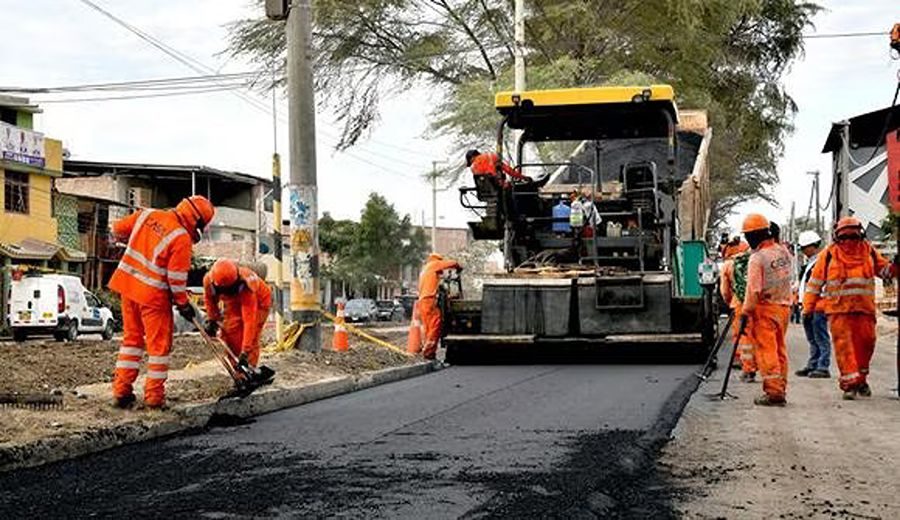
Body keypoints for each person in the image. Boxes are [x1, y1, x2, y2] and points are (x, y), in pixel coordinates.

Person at [109, 195, 216, 409]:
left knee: (132, 341)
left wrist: (138, 242)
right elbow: (176, 280)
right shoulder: (181, 238)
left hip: (128, 287)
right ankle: (154, 398)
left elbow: (117, 229)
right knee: (159, 348)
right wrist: (183, 303)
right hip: (153, 297)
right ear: (195, 220)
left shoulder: (147, 214)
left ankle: (121, 392)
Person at [803, 217, 894, 400]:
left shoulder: (869, 252)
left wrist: (895, 266)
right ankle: (849, 385)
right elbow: (814, 284)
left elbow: (884, 271)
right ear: (838, 236)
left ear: (860, 234)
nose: (849, 240)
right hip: (839, 311)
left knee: (866, 345)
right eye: (845, 236)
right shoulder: (829, 255)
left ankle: (860, 380)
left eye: (852, 235)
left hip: (864, 310)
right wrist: (808, 309)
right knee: (845, 348)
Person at [741, 213, 793, 406]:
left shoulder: (757, 258)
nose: (747, 239)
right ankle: (781, 386)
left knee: (767, 350)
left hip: (765, 309)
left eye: (748, 235)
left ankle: (773, 392)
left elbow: (753, 291)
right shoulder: (783, 252)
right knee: (780, 349)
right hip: (784, 307)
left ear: (755, 235)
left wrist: (746, 313)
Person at [203, 259, 272, 369]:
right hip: (234, 302)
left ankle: (249, 368)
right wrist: (212, 319)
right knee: (230, 333)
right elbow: (210, 301)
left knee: (250, 336)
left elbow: (249, 322)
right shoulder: (209, 281)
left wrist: (245, 351)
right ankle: (237, 369)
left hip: (260, 303)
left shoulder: (247, 286)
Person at [795, 230, 831, 378]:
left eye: (804, 248)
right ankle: (814, 364)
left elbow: (820, 286)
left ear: (813, 246)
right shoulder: (810, 263)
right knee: (813, 338)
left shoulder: (822, 261)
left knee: (820, 338)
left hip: (819, 306)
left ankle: (822, 366)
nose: (803, 251)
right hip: (809, 305)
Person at [719, 238, 756, 382]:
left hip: (740, 305)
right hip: (759, 304)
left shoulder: (728, 265)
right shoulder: (756, 259)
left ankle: (747, 368)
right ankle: (764, 368)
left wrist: (731, 303)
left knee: (743, 336)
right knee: (760, 336)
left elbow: (725, 291)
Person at [416, 253, 462, 360]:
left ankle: (429, 354)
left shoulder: (425, 270)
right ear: (437, 260)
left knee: (428, 328)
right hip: (429, 299)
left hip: (422, 301)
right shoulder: (434, 264)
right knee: (435, 324)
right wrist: (458, 267)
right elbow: (452, 263)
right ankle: (429, 351)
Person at [465, 149, 532, 185]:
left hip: (486, 193)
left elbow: (481, 181)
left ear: (472, 158)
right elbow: (509, 170)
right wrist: (523, 177)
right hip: (500, 187)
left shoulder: (473, 168)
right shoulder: (491, 156)